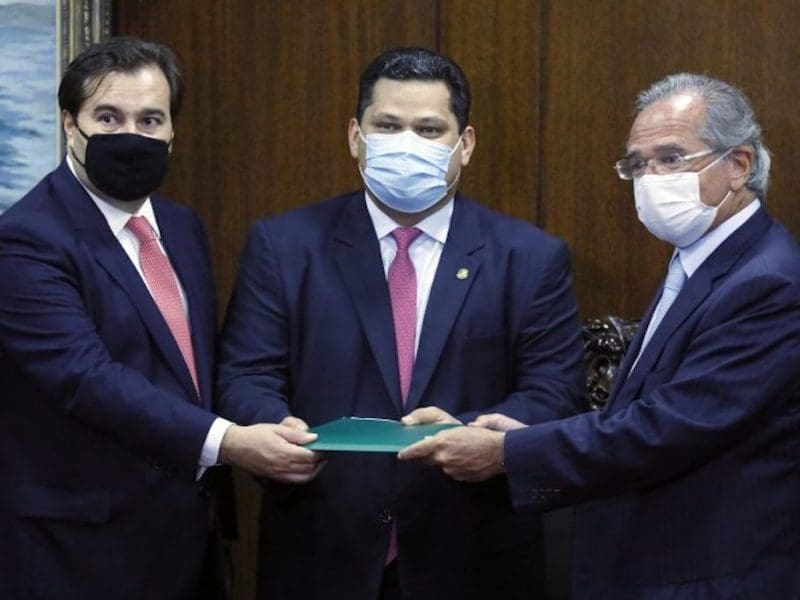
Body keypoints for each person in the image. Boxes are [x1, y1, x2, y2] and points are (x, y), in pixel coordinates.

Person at [400, 73, 800, 598]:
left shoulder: (768, 281)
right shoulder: (702, 260)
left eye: (671, 158)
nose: (650, 177)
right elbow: (643, 413)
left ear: (738, 165)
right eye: (638, 163)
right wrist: (514, 434)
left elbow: (669, 429)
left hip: (709, 575)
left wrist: (507, 454)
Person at [216, 47, 585, 599]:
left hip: (473, 555)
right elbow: (244, 375)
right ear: (354, 136)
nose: (407, 144)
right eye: (387, 125)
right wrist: (276, 432)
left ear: (466, 145)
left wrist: (476, 433)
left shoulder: (530, 257)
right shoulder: (284, 244)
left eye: (429, 129)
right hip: (322, 547)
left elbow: (556, 392)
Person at [0, 37, 317, 600]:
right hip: (78, 551)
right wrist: (231, 442)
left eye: (150, 119)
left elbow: (194, 370)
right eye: (108, 117)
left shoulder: (180, 226)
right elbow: (85, 377)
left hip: (189, 539)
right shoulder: (26, 240)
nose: (131, 135)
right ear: (70, 124)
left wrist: (270, 420)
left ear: (172, 130)